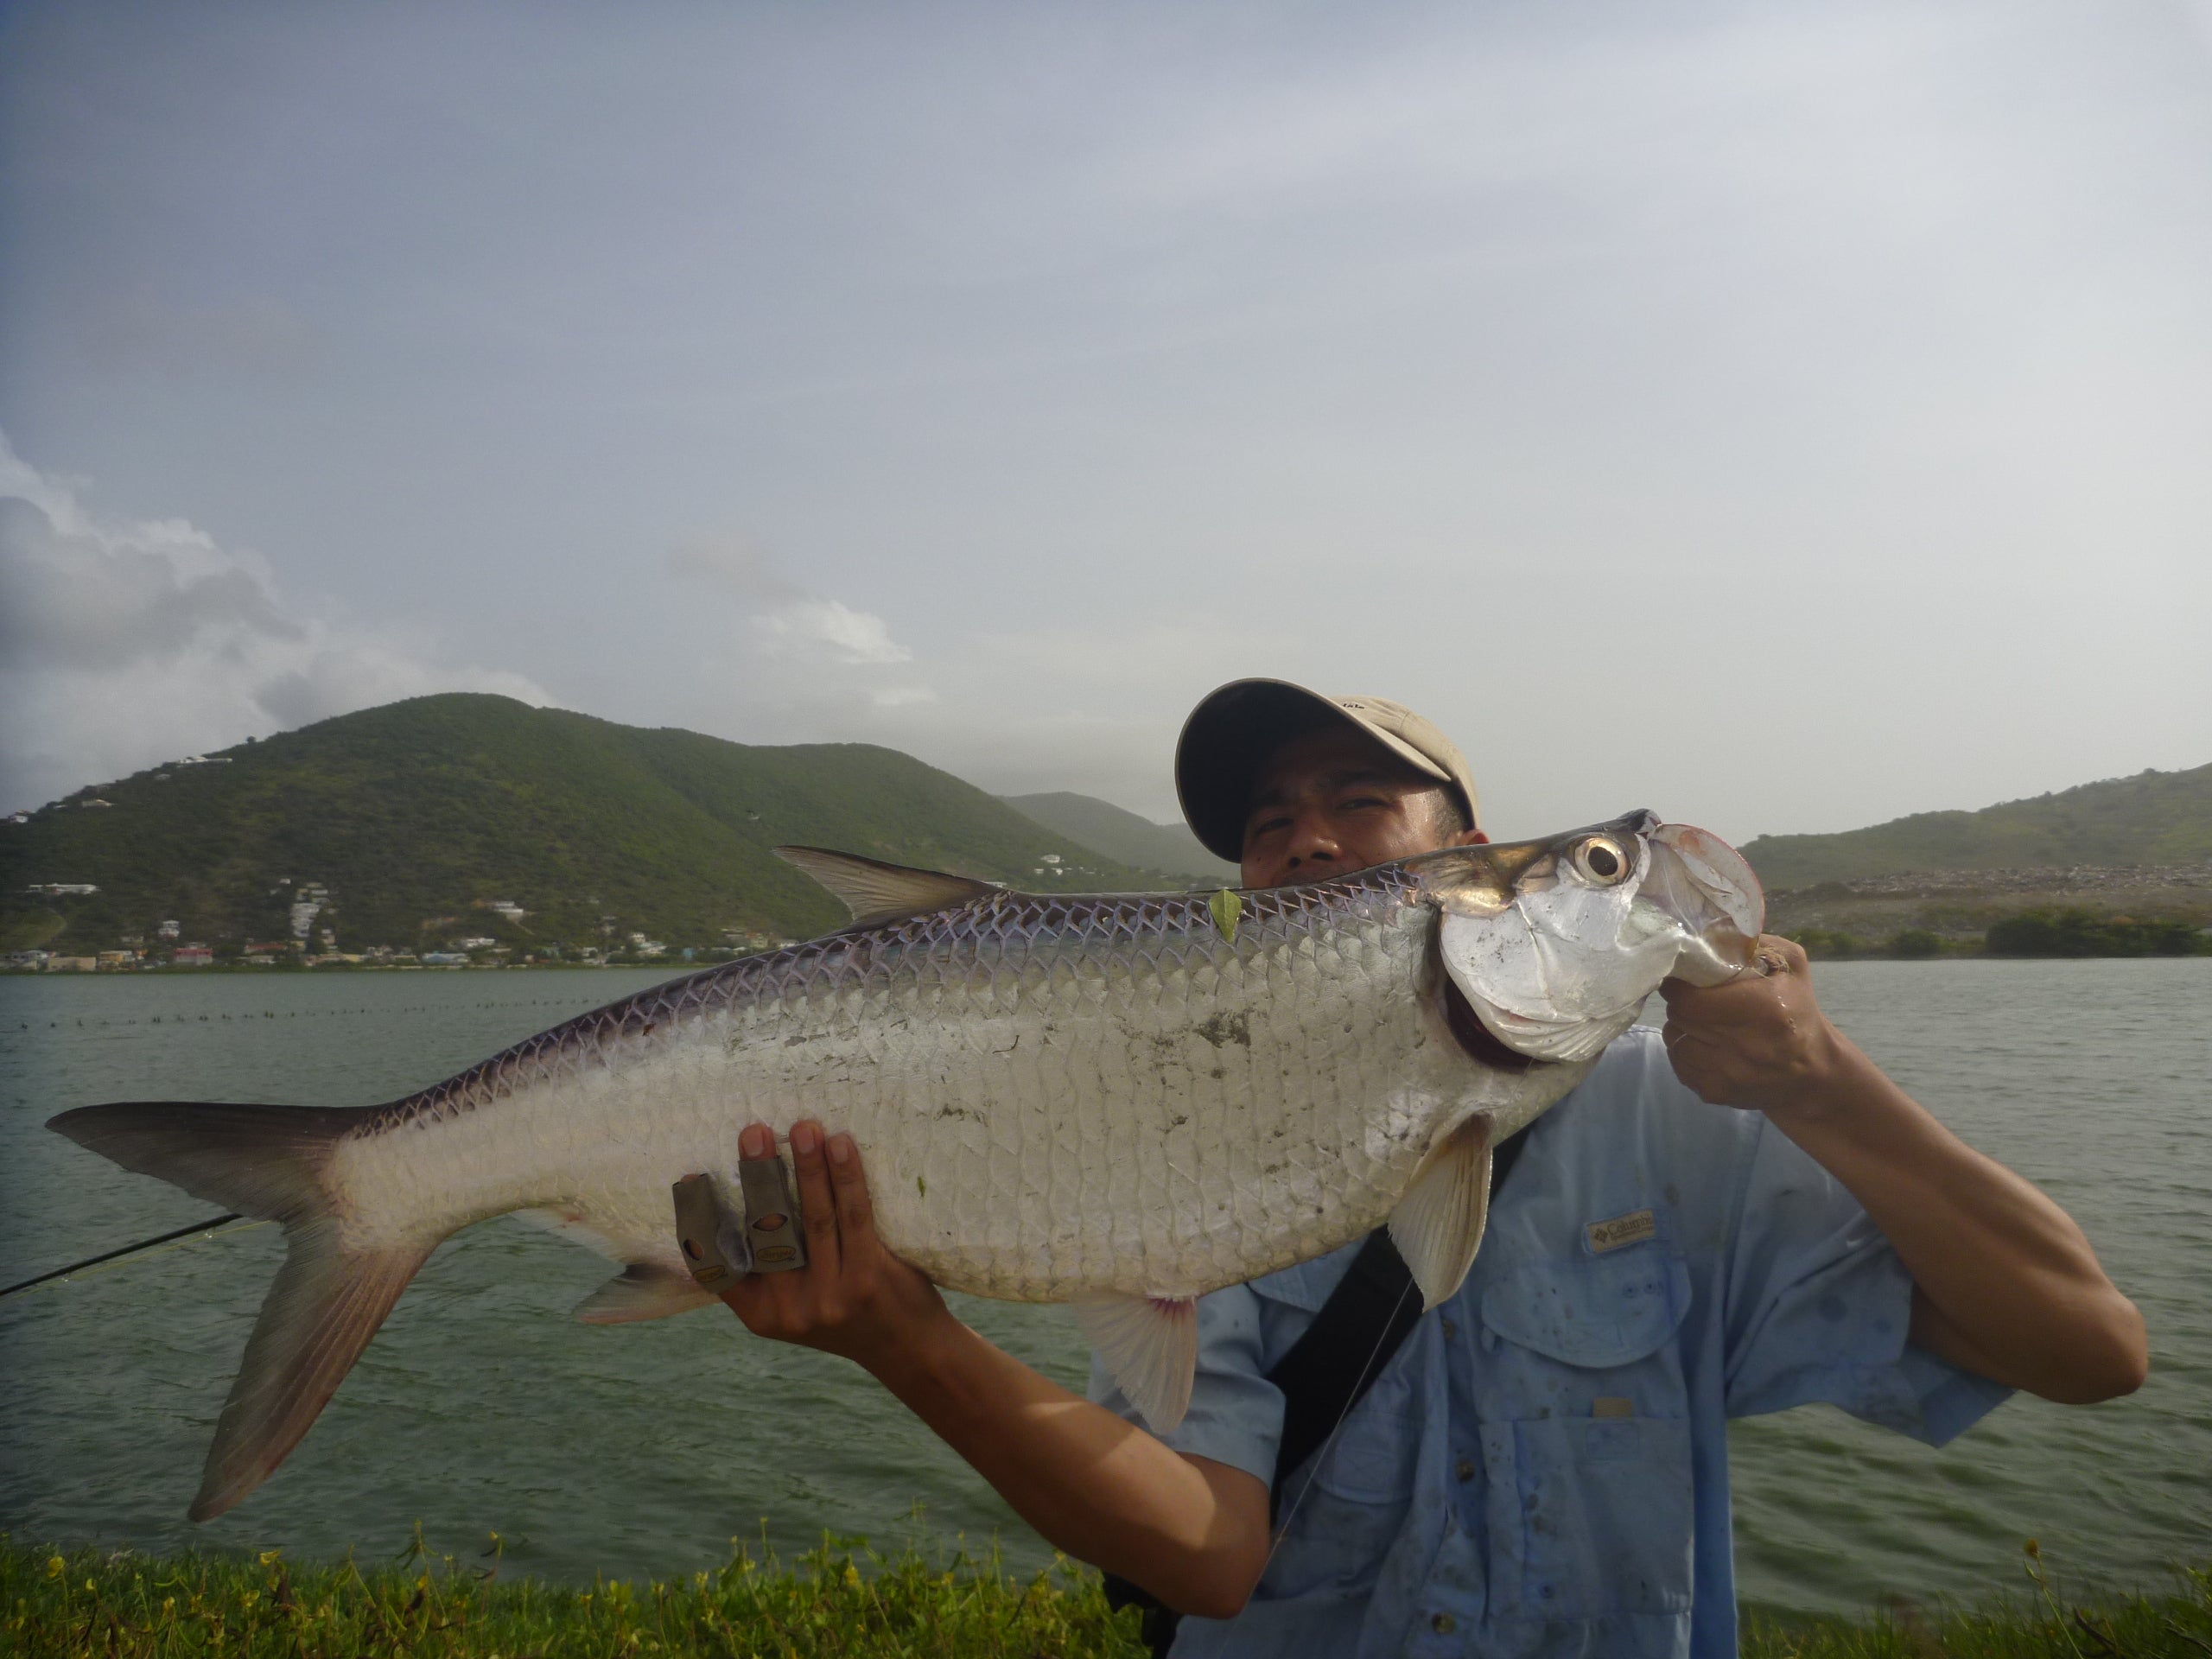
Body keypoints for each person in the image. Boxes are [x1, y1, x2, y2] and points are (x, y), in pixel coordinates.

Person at [711, 678, 2146, 1657]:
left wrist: (1825, 1087)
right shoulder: (1191, 1146)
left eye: (1356, 798)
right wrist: (910, 1345)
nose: (1308, 836)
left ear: (1459, 855)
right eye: (1268, 824)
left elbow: (2087, 1349)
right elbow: (1205, 1555)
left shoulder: (1676, 1132)